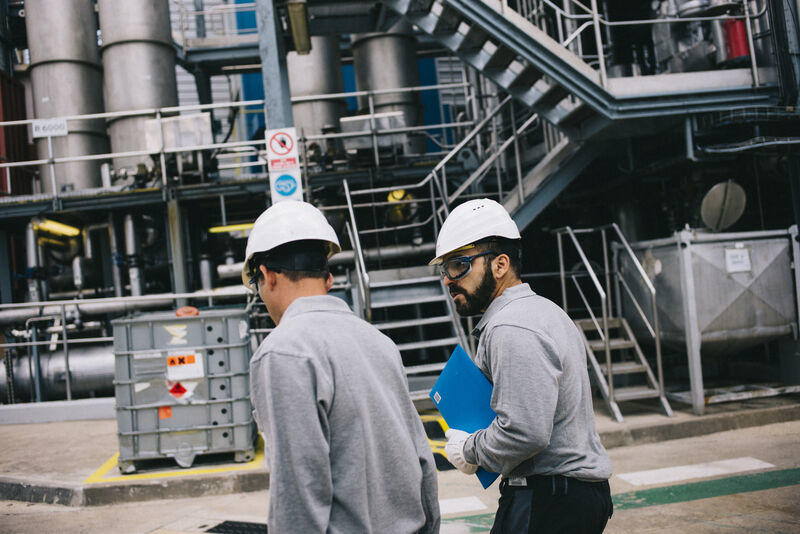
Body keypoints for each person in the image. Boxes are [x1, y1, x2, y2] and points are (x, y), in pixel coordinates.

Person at [243, 200, 440, 534]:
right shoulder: (380, 343)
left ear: (267, 276)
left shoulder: (283, 352)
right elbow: (422, 459)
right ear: (328, 278)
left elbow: (298, 491)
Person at [432, 198, 612, 533]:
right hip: (567, 496)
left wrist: (469, 450)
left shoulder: (511, 328)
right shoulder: (546, 312)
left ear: (500, 265)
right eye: (444, 269)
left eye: (458, 265)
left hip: (550, 498)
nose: (448, 279)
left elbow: (525, 433)